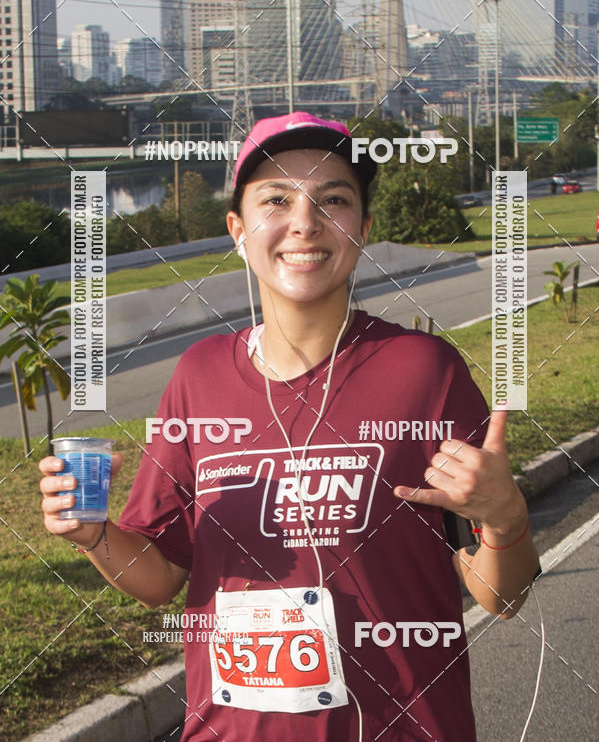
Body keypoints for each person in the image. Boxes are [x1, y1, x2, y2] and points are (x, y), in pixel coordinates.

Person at [40, 112, 540, 741]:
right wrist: (92, 535)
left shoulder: (424, 370)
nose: (304, 222)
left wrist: (506, 518)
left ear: (363, 228)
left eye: (333, 199)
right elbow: (161, 577)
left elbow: (501, 596)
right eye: (276, 199)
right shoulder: (197, 377)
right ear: (237, 229)